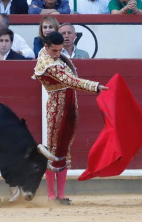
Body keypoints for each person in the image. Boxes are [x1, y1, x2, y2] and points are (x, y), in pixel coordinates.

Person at [33, 31, 108, 205]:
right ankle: (51, 196)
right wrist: (95, 86)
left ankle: (61, 195)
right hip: (57, 109)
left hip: (70, 105)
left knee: (64, 149)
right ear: (46, 47)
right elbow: (71, 80)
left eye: (60, 50)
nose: (57, 54)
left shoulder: (56, 58)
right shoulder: (46, 62)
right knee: (53, 150)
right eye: (54, 51)